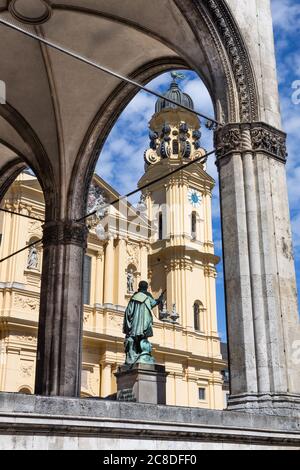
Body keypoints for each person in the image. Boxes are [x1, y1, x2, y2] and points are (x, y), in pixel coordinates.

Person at [123, 281, 164, 365]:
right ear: (145, 287)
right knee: (143, 337)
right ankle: (142, 354)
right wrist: (159, 299)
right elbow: (153, 303)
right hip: (144, 322)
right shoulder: (147, 296)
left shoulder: (134, 297)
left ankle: (134, 355)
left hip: (135, 323)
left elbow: (128, 311)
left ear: (139, 287)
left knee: (134, 338)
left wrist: (128, 323)